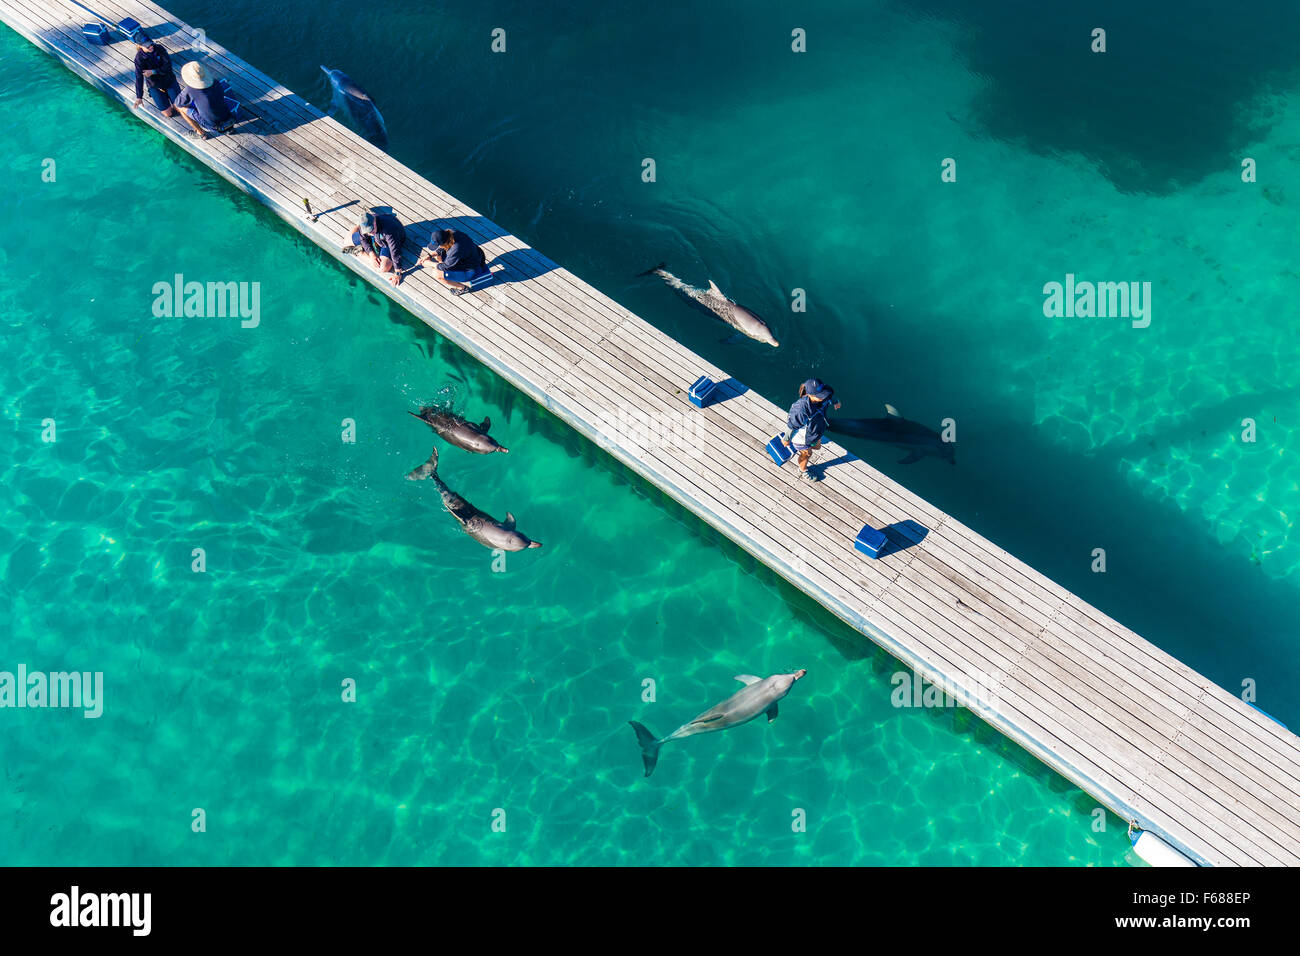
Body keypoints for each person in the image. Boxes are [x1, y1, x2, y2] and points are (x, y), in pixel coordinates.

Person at [784, 378, 841, 480]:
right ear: (810, 394)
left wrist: (835, 401)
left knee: (817, 447)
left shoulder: (823, 396)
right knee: (808, 453)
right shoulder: (801, 410)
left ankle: (804, 448)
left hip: (815, 431)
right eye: (821, 396)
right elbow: (792, 425)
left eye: (824, 393)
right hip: (801, 438)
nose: (824, 397)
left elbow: (829, 396)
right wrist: (786, 439)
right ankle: (802, 469)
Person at [173, 62, 233, 140]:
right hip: (228, 118)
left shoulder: (190, 90)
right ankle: (229, 129)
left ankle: (201, 133)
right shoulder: (215, 82)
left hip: (212, 126)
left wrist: (185, 91)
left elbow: (178, 103)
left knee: (181, 109)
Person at [347, 210, 407, 287]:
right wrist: (372, 255)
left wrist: (398, 272)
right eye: (367, 231)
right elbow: (363, 239)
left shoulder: (389, 230)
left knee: (383, 268)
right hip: (376, 238)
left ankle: (359, 253)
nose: (370, 233)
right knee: (347, 242)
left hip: (387, 243)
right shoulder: (367, 230)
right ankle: (358, 228)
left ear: (374, 221)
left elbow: (394, 250)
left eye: (371, 229)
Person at [418, 228, 487, 295]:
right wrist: (430, 255)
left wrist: (429, 263)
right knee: (438, 256)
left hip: (471, 270)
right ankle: (443, 268)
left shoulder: (455, 249)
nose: (439, 247)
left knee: (436, 273)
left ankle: (463, 288)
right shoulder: (452, 232)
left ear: (444, 243)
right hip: (477, 255)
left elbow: (445, 267)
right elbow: (442, 248)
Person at [130, 30, 180, 118]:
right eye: (147, 46)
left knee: (180, 107)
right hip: (155, 86)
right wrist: (139, 97)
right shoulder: (139, 59)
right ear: (139, 46)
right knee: (168, 114)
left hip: (169, 81)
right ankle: (169, 99)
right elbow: (139, 78)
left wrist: (153, 71)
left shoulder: (159, 48)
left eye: (151, 44)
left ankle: (174, 100)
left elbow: (168, 66)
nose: (150, 47)